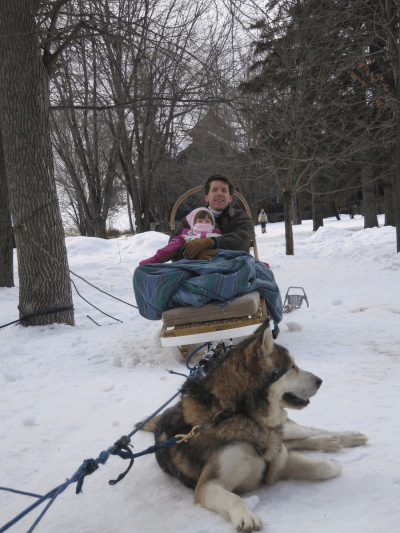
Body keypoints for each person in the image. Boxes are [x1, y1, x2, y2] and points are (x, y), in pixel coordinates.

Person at [172, 174, 255, 261]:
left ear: (230, 198)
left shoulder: (241, 217)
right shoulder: (191, 219)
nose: (219, 194)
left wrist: (211, 242)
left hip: (233, 265)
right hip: (194, 269)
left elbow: (243, 238)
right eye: (214, 190)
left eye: (224, 190)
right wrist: (192, 254)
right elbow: (172, 244)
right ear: (206, 197)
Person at [139, 208, 221, 265]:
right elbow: (169, 250)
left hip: (216, 264)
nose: (204, 224)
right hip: (191, 265)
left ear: (213, 224)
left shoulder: (217, 235)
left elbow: (227, 246)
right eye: (200, 221)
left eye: (207, 221)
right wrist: (152, 261)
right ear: (193, 223)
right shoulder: (186, 236)